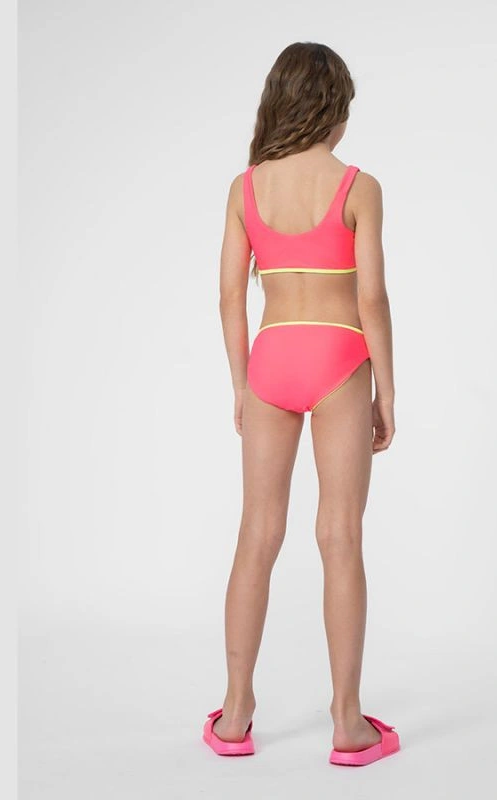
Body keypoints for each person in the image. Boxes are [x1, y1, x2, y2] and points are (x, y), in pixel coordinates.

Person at [203, 42, 399, 767]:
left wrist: (240, 382)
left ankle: (234, 715)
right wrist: (385, 388)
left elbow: (230, 295)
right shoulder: (358, 186)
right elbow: (372, 297)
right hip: (339, 356)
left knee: (257, 533)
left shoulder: (245, 188)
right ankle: (347, 724)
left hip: (273, 358)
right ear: (333, 108)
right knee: (339, 535)